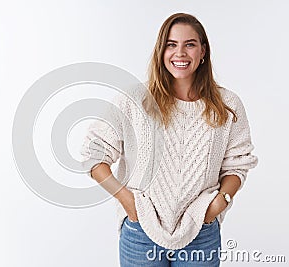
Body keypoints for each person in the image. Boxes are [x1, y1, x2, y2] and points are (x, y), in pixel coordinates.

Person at [80, 13, 258, 266]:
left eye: (190, 44)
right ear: (161, 51)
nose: (180, 53)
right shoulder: (136, 99)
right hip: (140, 231)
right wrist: (127, 201)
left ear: (203, 51)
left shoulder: (226, 104)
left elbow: (237, 165)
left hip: (201, 232)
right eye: (171, 45)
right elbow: (94, 155)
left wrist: (218, 204)